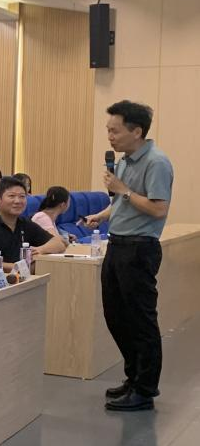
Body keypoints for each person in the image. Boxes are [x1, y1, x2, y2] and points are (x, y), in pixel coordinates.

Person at [79, 101, 173, 411]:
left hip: (139, 249)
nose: (110, 136)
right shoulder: (125, 161)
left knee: (140, 320)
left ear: (137, 131)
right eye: (108, 130)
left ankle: (145, 389)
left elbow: (158, 209)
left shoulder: (156, 162)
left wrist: (123, 190)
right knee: (116, 316)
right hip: (117, 245)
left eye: (115, 131)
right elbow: (122, 203)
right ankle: (133, 377)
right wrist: (101, 215)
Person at [0, 176, 65, 273]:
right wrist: (18, 268)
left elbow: (58, 244)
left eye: (22, 196)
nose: (17, 201)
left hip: (17, 279)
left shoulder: (25, 224)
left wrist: (40, 250)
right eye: (11, 196)